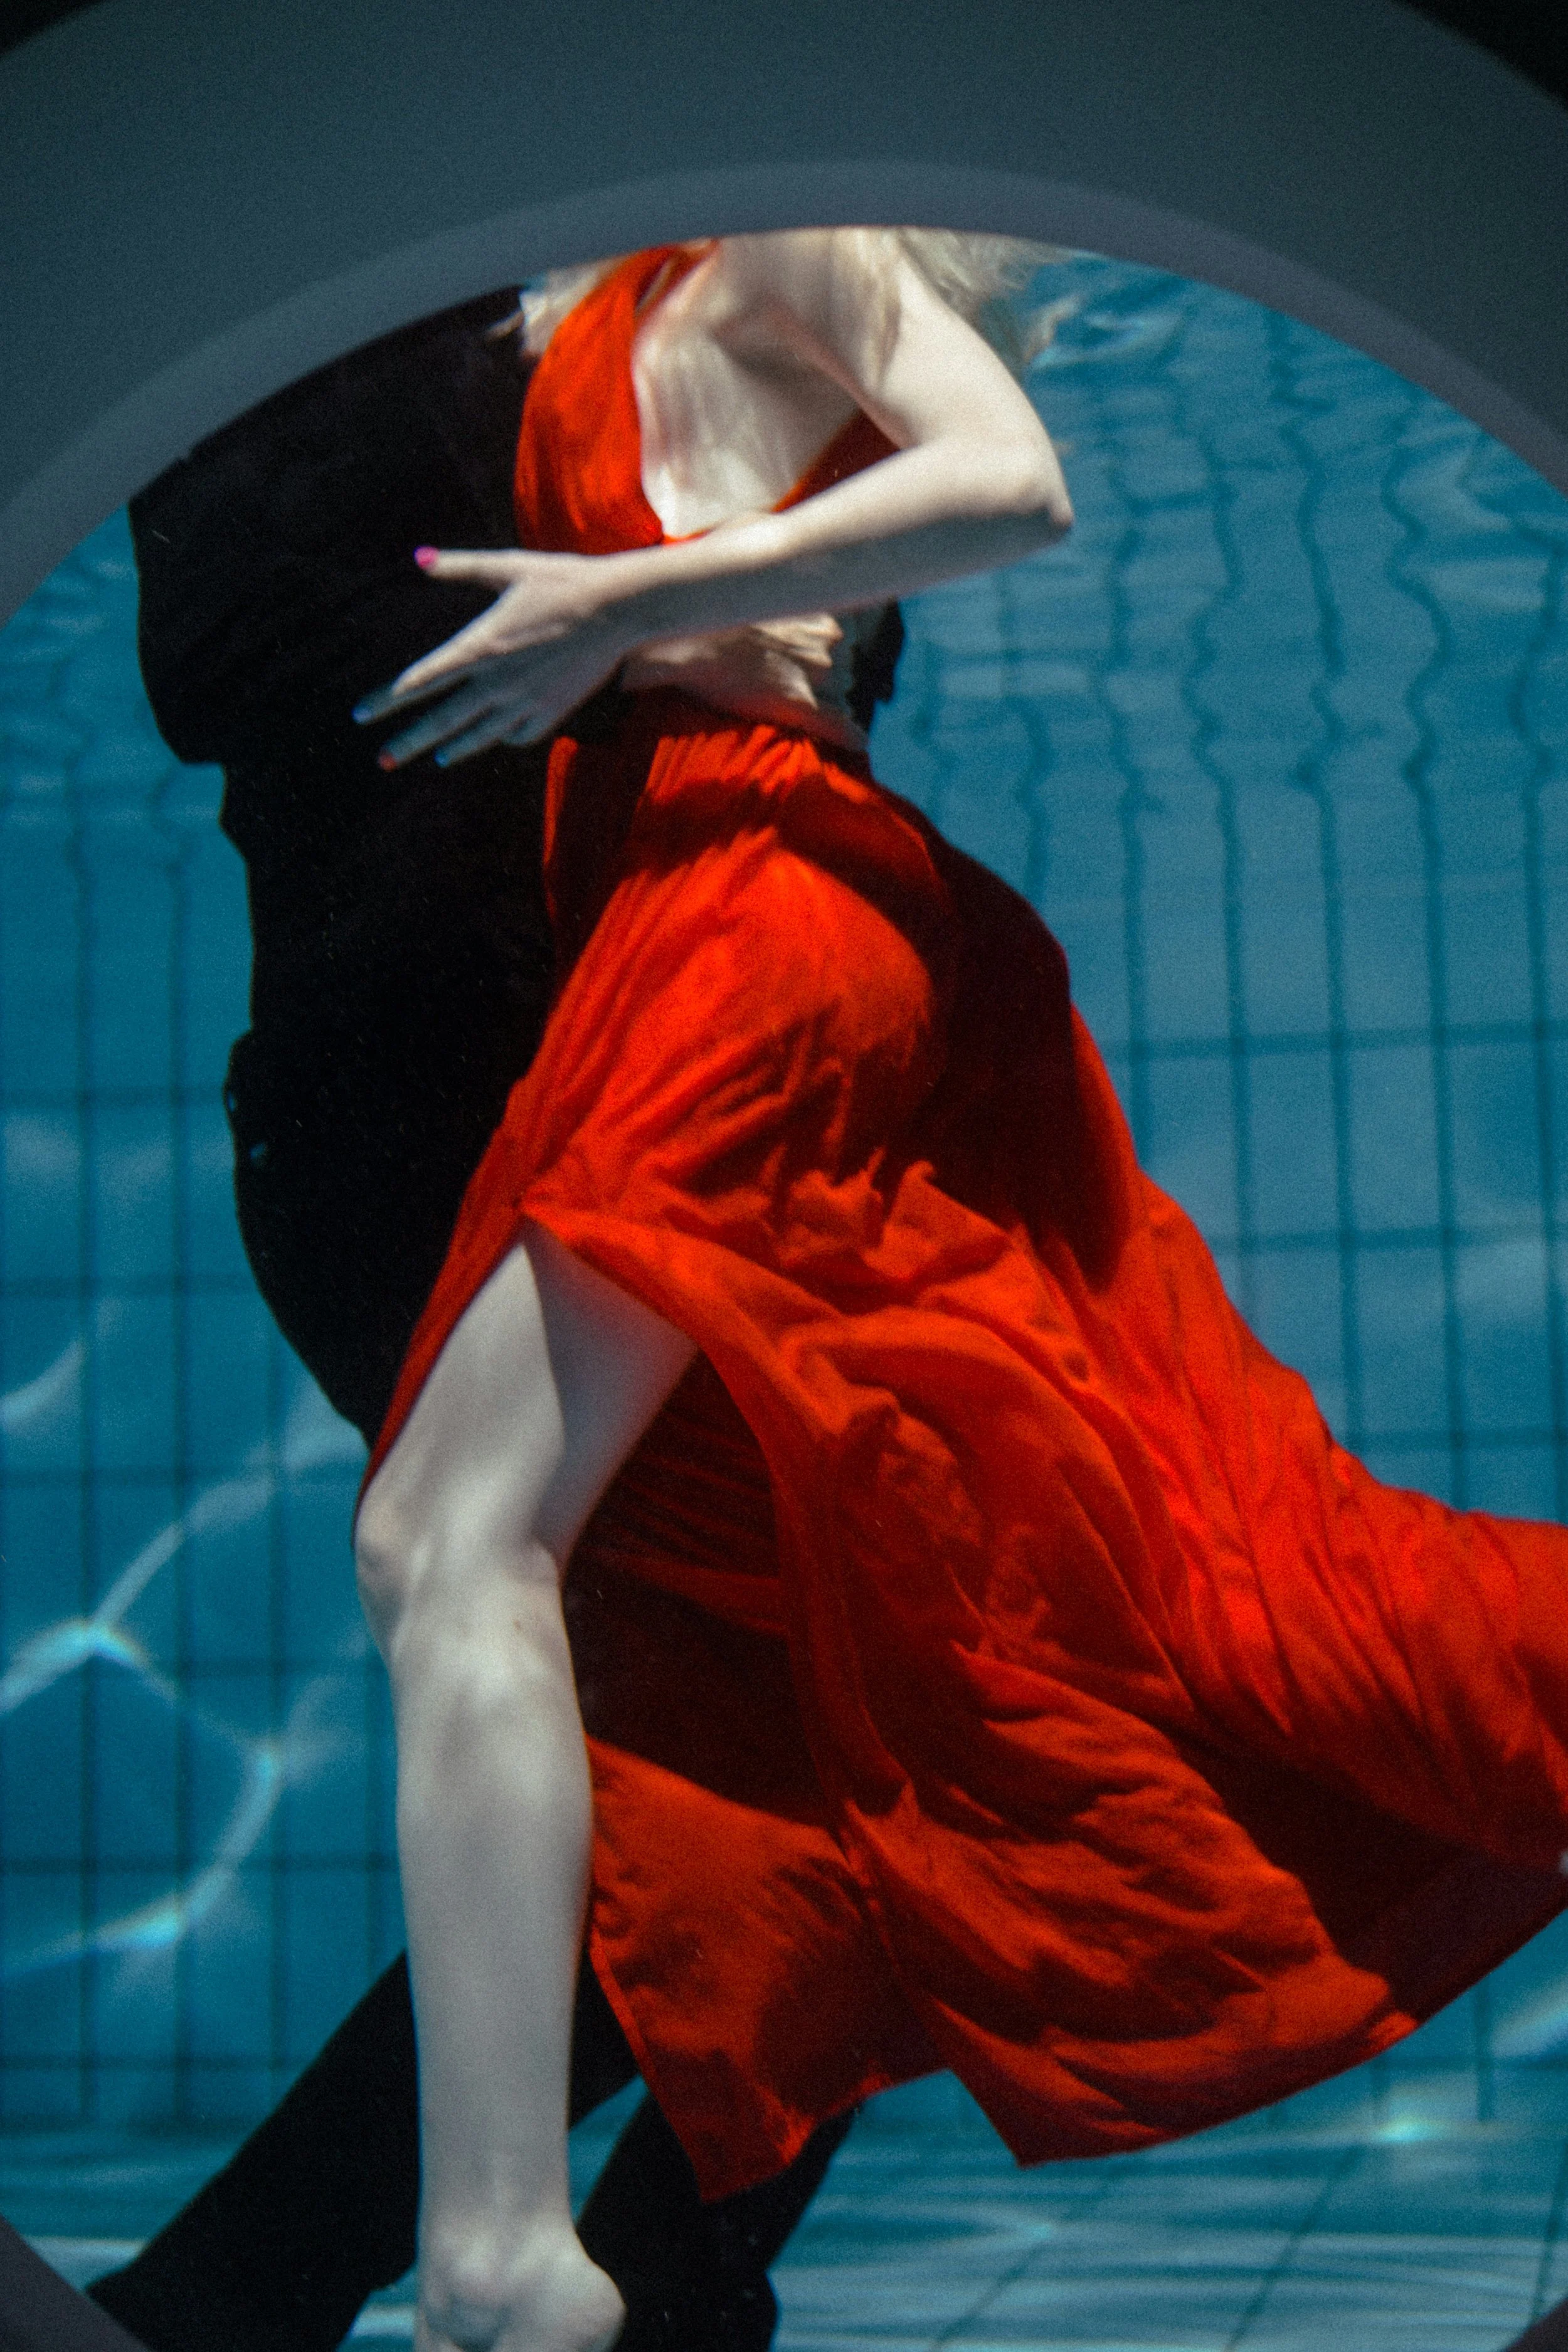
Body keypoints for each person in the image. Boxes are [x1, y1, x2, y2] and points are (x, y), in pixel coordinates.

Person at [349, 224, 1568, 2352]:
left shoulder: (767, 240)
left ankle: (504, 2254)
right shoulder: (629, 287)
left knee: (453, 1537)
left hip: (753, 912)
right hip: (731, 911)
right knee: (1126, 1577)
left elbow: (1011, 481)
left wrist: (619, 601)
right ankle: (500, 2245)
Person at [88, 284, 893, 2352]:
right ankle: (352, 2282)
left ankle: (322, 2287)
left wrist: (691, 576)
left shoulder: (696, 320)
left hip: (686, 1129)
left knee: (880, 1728)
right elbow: (236, 664)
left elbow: (843, 657)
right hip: (424, 1146)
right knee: (820, 1744)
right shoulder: (353, 346)